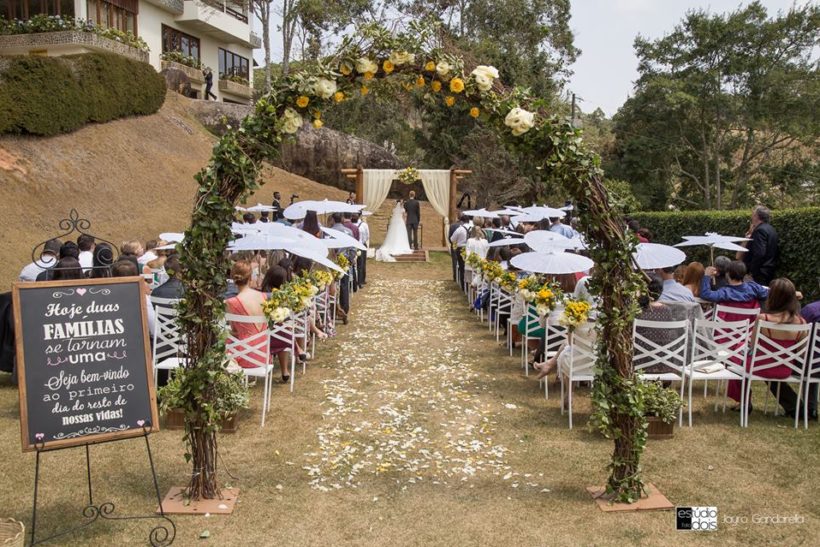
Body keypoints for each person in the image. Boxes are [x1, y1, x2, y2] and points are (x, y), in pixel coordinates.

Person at [726, 278, 808, 419]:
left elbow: (752, 347)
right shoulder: (802, 322)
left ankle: (744, 402)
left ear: (772, 297)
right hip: (784, 369)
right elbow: (802, 351)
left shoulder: (763, 319)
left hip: (759, 367)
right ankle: (796, 407)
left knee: (735, 358)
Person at [111, 259, 155, 337]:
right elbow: (152, 324)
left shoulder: (105, 297)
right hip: (136, 338)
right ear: (136, 276)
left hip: (113, 340)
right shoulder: (141, 297)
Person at [738, 205, 778, 285]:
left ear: (757, 216)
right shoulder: (771, 229)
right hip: (768, 271)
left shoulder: (760, 230)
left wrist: (752, 273)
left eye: (753, 215)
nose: (751, 217)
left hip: (759, 274)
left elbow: (759, 254)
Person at [450, 214, 470, 290]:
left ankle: (463, 287)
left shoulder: (460, 229)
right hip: (470, 249)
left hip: (461, 249)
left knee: (462, 268)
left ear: (462, 221)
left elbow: (452, 239)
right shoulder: (473, 228)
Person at [353, 213, 369, 287]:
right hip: (360, 245)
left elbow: (367, 235)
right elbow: (366, 236)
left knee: (360, 264)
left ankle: (359, 280)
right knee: (360, 264)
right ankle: (360, 281)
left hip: (358, 245)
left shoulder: (363, 224)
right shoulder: (363, 225)